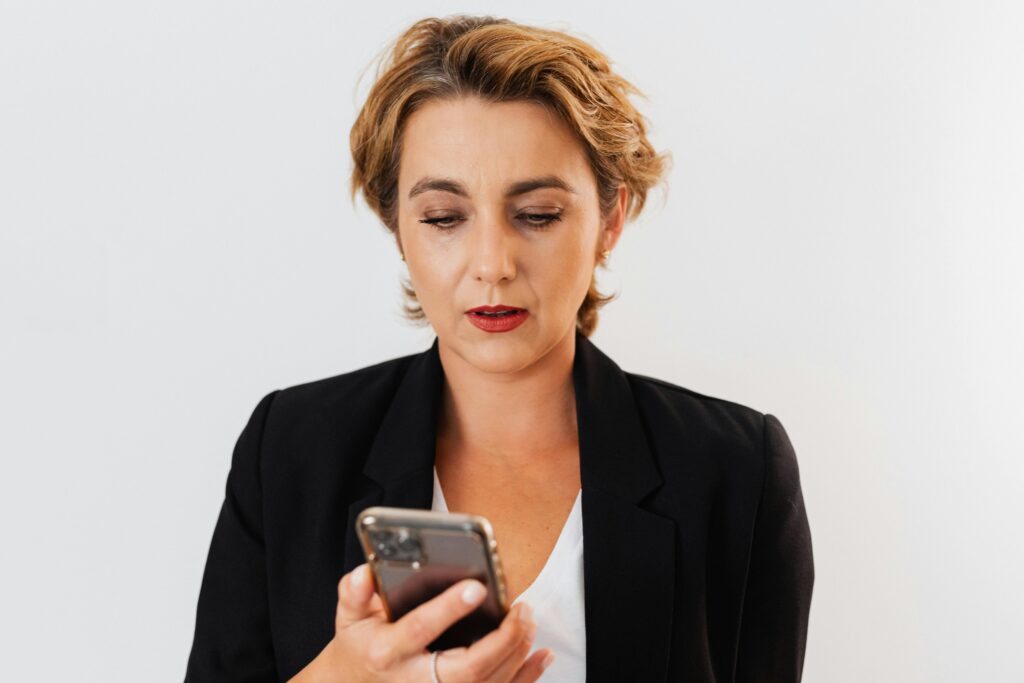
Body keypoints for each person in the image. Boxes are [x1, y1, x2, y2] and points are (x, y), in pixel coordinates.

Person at [184, 14, 814, 683]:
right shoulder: (289, 449)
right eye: (444, 218)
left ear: (611, 218)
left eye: (537, 214)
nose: (491, 263)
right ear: (398, 225)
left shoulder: (737, 470)